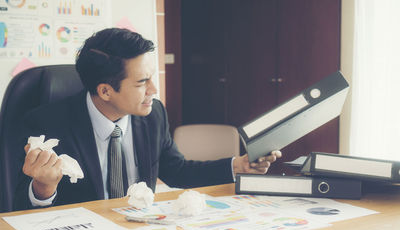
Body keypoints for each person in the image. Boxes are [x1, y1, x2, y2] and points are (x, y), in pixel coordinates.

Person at [14, 28, 281, 210]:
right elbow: (15, 207)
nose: (154, 90)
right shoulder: (46, 124)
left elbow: (176, 171)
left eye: (153, 78)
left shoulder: (153, 115)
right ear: (105, 91)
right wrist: (43, 186)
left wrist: (238, 166)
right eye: (143, 82)